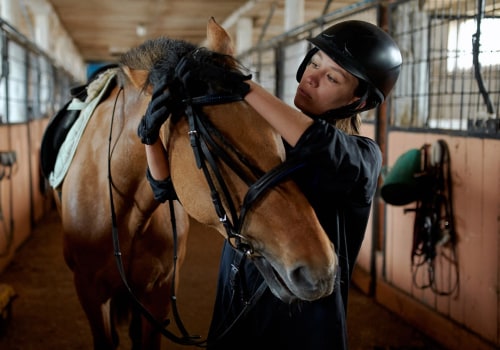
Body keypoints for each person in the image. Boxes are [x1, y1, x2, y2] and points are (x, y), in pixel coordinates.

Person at [138, 20, 402, 350]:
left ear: (358, 101)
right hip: (234, 311)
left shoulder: (362, 157)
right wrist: (150, 136)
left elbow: (319, 143)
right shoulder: (268, 138)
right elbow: (168, 189)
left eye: (332, 77)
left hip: (302, 330)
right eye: (315, 63)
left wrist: (243, 86)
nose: (312, 77)